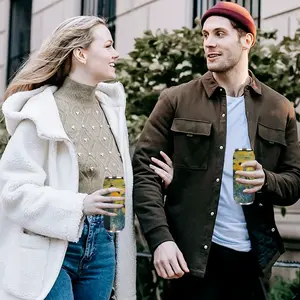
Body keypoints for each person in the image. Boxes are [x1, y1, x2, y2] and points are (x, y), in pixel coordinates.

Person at [132, 2, 300, 300]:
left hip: (252, 262)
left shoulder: (279, 108)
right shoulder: (175, 99)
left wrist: (266, 181)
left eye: (219, 34)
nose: (209, 42)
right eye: (205, 35)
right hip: (191, 261)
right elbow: (144, 172)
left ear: (246, 40)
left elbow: (294, 182)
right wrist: (160, 240)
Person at [0, 16, 171, 300]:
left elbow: (115, 180)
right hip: (51, 247)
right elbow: (12, 191)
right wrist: (79, 204)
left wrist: (159, 183)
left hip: (105, 242)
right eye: (108, 45)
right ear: (80, 54)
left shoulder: (111, 110)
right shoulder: (40, 112)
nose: (116, 54)